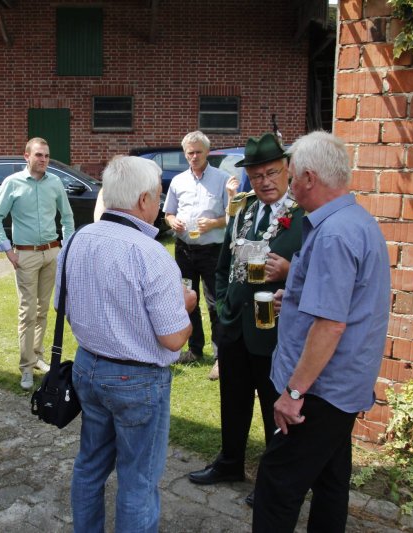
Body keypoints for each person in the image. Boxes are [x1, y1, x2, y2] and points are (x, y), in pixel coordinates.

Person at [252, 131, 390, 532]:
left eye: (292, 176)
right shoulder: (356, 220)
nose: (289, 185)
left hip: (319, 391)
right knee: (331, 482)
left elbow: (331, 324)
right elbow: (341, 300)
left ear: (309, 178)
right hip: (341, 386)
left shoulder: (333, 234)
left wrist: (294, 393)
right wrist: (293, 300)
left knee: (277, 484)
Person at [59, 155, 197, 532]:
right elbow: (172, 340)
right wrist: (186, 307)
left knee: (90, 465)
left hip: (88, 367)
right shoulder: (151, 254)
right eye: (158, 196)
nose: (159, 203)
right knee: (138, 479)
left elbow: (64, 306)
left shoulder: (76, 240)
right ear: (142, 201)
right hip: (136, 379)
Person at [187, 133, 305, 510]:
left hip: (276, 332)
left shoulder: (305, 215)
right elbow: (224, 264)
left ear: (287, 170)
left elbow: (321, 272)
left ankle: (273, 479)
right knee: (232, 400)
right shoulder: (243, 207)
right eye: (257, 176)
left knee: (274, 406)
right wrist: (222, 304)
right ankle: (229, 463)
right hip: (235, 324)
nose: (265, 181)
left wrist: (290, 270)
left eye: (272, 172)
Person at [0, 138, 75, 391]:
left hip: (51, 253)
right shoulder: (12, 183)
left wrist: (65, 248)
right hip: (25, 255)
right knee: (27, 312)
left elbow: (67, 217)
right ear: (26, 156)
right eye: (39, 155)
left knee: (44, 309)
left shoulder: (55, 182)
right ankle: (25, 367)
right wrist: (7, 250)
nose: (43, 160)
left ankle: (37, 356)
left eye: (46, 156)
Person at [163, 131, 231, 368]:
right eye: (190, 153)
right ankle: (194, 349)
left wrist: (213, 223)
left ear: (207, 152)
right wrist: (173, 222)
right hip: (184, 251)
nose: (194, 156)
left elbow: (233, 215)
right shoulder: (178, 181)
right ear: (185, 154)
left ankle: (220, 355)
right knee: (187, 299)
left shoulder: (222, 179)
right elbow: (168, 213)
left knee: (214, 303)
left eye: (198, 152)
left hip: (213, 250)